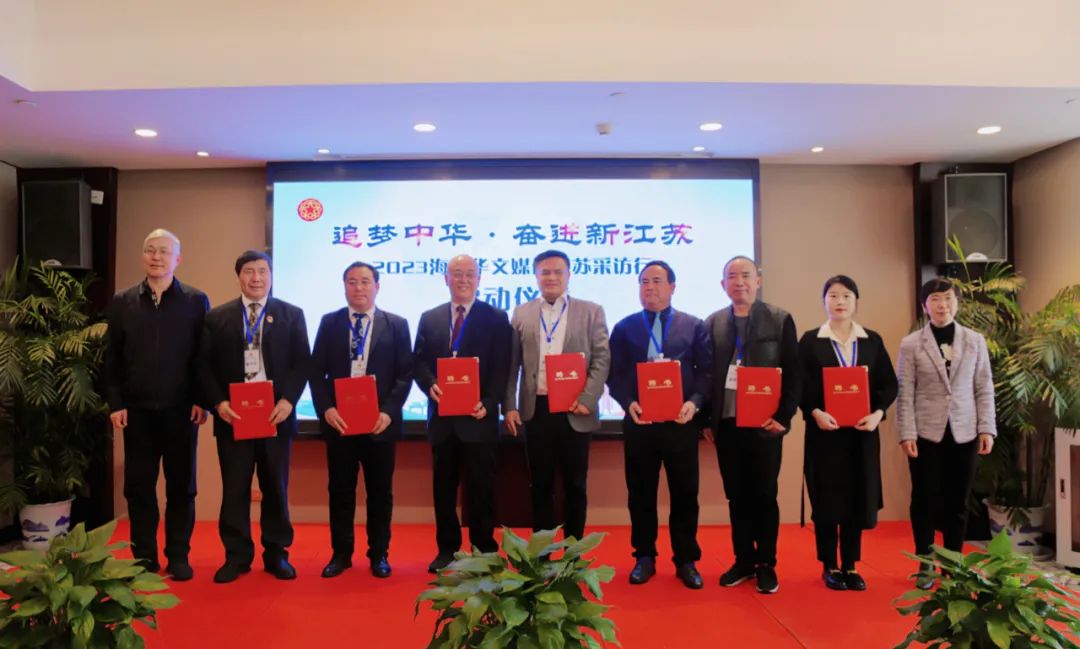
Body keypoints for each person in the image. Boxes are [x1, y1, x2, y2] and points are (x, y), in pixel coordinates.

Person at [198, 250, 311, 583]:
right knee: (235, 488)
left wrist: (289, 401)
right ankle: (236, 556)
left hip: (275, 416)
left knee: (275, 487)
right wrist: (218, 404)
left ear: (271, 276)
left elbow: (302, 363)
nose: (256, 278)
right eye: (249, 271)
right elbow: (202, 366)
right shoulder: (217, 318)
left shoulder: (291, 315)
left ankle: (277, 555)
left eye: (262, 271)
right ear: (239, 276)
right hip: (233, 417)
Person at [105, 229, 209, 581]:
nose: (156, 257)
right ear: (142, 256)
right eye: (150, 250)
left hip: (182, 411)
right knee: (139, 489)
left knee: (182, 488)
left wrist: (202, 400)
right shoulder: (123, 301)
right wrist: (116, 403)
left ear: (178, 259)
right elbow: (112, 357)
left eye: (164, 251)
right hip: (137, 413)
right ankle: (144, 558)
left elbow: (203, 357)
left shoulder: (195, 300)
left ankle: (178, 556)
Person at [607, 261, 712, 590]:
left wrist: (694, 402)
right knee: (640, 493)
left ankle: (686, 559)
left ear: (672, 287)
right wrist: (628, 402)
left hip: (680, 424)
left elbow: (707, 372)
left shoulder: (693, 326)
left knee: (685, 493)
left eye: (656, 281)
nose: (649, 287)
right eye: (643, 282)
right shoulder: (624, 328)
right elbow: (615, 374)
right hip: (641, 424)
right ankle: (644, 556)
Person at [309, 261, 413, 579]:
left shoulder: (396, 324)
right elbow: (315, 372)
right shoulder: (330, 322)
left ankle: (379, 554)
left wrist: (388, 412)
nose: (358, 287)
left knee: (380, 493)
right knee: (340, 491)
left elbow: (404, 375)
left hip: (379, 425)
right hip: (340, 424)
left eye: (365, 281)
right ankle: (340, 554)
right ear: (344, 287)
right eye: (352, 282)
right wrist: (327, 409)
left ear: (377, 287)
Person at [705, 255, 800, 594]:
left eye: (745, 275)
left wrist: (783, 417)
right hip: (728, 424)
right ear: (723, 285)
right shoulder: (714, 322)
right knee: (737, 496)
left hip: (765, 424)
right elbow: (707, 375)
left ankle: (766, 563)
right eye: (732, 276)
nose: (739, 282)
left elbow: (794, 372)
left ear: (758, 280)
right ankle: (743, 560)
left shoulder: (779, 319)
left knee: (764, 495)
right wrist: (707, 419)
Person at [797, 275, 898, 591]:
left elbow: (888, 384)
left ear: (856, 301)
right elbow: (799, 385)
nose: (839, 302)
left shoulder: (871, 340)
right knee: (826, 499)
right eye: (833, 295)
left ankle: (851, 565)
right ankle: (829, 564)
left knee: (857, 497)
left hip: (861, 434)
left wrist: (877, 414)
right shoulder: (810, 341)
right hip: (824, 435)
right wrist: (815, 412)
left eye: (846, 296)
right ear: (823, 301)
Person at [413, 254, 512, 573]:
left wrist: (491, 401)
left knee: (482, 489)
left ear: (479, 279)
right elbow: (418, 362)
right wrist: (429, 384)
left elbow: (502, 365)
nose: (463, 279)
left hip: (478, 418)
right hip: (443, 421)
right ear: (446, 279)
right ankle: (447, 550)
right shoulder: (430, 318)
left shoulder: (496, 317)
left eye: (470, 274)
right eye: (457, 273)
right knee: (443, 489)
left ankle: (484, 550)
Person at [504, 250, 610, 541]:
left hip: (576, 409)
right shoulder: (521, 313)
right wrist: (509, 404)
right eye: (545, 272)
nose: (551, 277)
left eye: (557, 272)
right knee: (540, 484)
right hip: (536, 409)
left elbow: (602, 358)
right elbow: (512, 364)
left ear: (569, 275)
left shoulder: (591, 311)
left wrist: (588, 398)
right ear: (536, 276)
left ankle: (573, 553)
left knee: (575, 485)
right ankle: (542, 552)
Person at [897, 277, 995, 589]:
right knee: (924, 498)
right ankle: (925, 562)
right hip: (926, 432)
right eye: (936, 299)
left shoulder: (975, 340)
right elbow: (905, 392)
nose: (943, 305)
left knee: (959, 501)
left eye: (948, 298)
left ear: (957, 303)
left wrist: (987, 428)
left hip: (965, 431)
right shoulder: (911, 344)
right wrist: (907, 433)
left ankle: (954, 562)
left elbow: (984, 387)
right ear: (925, 306)